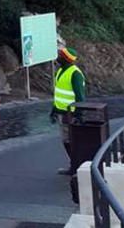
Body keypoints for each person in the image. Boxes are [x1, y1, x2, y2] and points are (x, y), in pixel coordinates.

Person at [49, 46, 86, 174]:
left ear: (66, 59)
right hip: (61, 112)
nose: (58, 57)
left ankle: (76, 167)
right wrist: (54, 110)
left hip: (70, 114)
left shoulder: (75, 74)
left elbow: (80, 96)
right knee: (67, 141)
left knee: (71, 141)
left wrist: (78, 114)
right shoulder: (60, 71)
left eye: (60, 55)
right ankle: (75, 165)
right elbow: (59, 94)